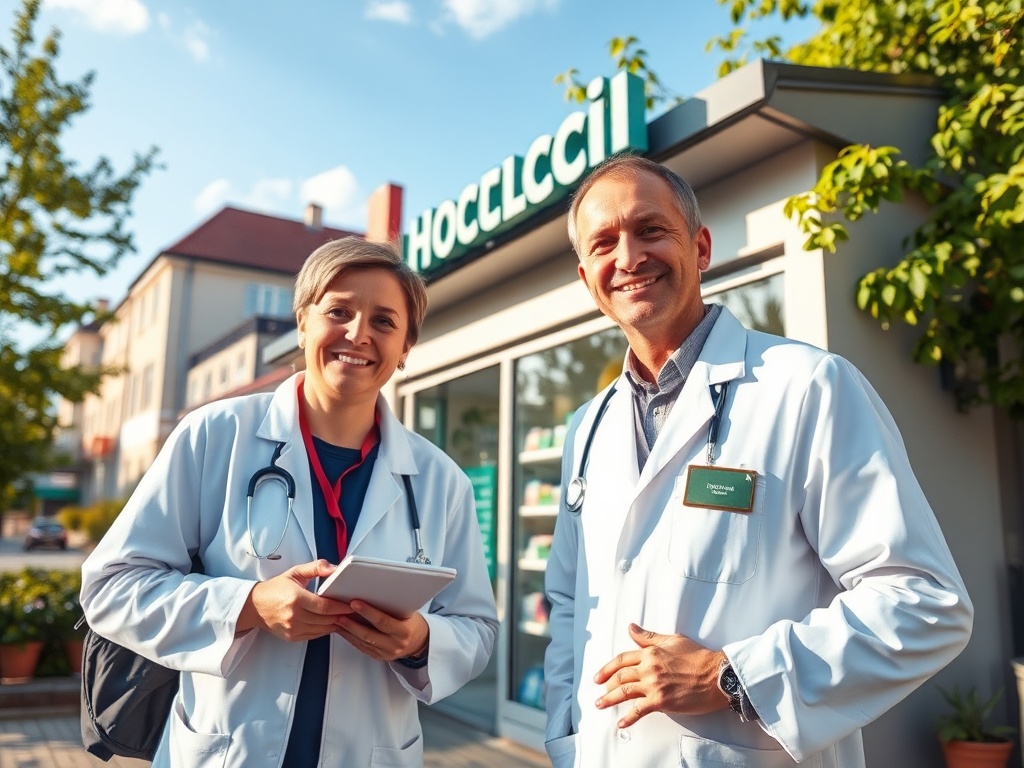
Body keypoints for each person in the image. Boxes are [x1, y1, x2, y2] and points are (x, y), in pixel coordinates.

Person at [543, 153, 973, 767]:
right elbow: (568, 605)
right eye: (604, 243)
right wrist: (567, 738)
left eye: (651, 230)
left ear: (701, 246)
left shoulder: (809, 387)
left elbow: (925, 600)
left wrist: (732, 676)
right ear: (587, 278)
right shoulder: (587, 428)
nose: (629, 257)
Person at [80, 237, 498, 768]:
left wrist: (420, 639)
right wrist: (247, 607)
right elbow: (111, 587)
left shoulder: (441, 481)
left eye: (384, 322)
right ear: (302, 322)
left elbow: (476, 628)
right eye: (339, 311)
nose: (358, 334)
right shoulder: (214, 436)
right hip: (227, 750)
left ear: (406, 348)